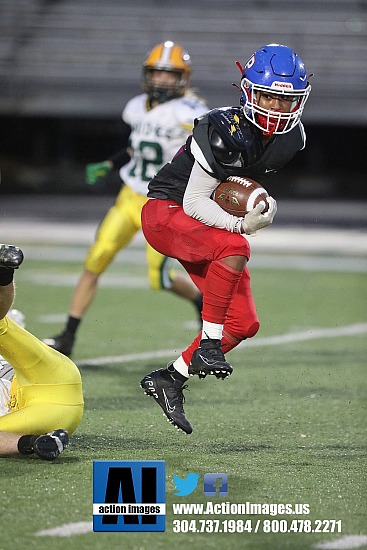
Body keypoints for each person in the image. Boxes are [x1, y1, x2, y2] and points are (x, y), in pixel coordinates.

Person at [140, 44, 311, 434]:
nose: (275, 108)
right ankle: (209, 346)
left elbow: (234, 187)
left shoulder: (292, 139)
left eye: (286, 100)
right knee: (237, 247)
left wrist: (258, 205)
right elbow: (196, 200)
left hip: (201, 222)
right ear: (249, 91)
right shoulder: (222, 129)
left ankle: (170, 378)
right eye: (268, 96)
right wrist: (242, 225)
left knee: (244, 323)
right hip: (166, 212)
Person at [44, 41, 208, 357]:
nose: (160, 80)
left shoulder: (189, 112)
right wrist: (111, 163)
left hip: (160, 204)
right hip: (129, 195)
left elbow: (208, 143)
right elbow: (139, 146)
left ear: (182, 78)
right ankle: (67, 336)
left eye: (168, 74)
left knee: (159, 278)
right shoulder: (136, 106)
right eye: (156, 73)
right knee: (96, 259)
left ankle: (201, 303)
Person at [0, 244, 84, 459]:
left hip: (48, 414)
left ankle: (38, 442)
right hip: (55, 377)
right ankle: (4, 271)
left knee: (6, 323)